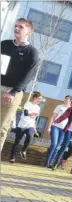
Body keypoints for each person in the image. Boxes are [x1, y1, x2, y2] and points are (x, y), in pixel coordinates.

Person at [1, 18, 39, 152]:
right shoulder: (4, 45)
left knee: (2, 127)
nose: (17, 28)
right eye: (15, 26)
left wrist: (12, 92)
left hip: (13, 93)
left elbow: (28, 76)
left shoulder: (32, 52)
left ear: (28, 31)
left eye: (21, 27)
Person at [8, 91, 42, 163]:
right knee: (17, 142)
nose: (40, 100)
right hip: (21, 126)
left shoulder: (38, 108)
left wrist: (35, 128)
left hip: (30, 125)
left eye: (40, 99)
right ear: (34, 98)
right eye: (39, 99)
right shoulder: (28, 104)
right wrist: (32, 113)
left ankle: (23, 150)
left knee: (30, 135)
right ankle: (12, 158)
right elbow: (26, 113)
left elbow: (34, 118)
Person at [45, 95, 72, 167]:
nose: (66, 100)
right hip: (55, 127)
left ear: (70, 101)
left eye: (67, 99)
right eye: (65, 98)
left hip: (64, 129)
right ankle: (47, 163)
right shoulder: (59, 106)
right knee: (54, 144)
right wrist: (49, 127)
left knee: (57, 146)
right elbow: (53, 117)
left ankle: (51, 163)